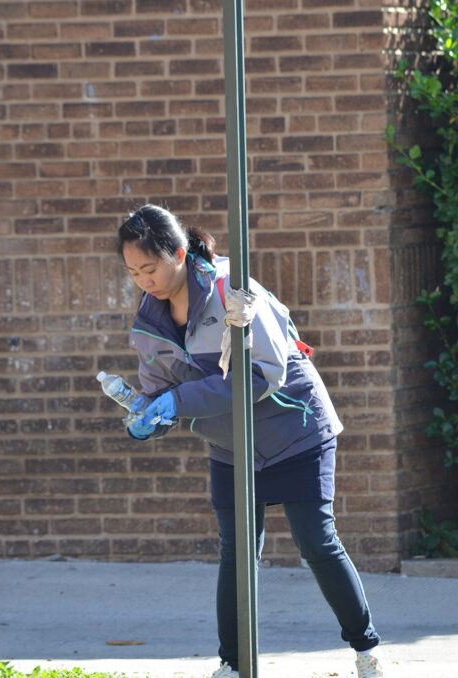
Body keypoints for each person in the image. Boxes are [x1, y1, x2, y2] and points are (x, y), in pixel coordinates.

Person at [115, 204, 385, 678]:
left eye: (151, 268)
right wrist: (147, 418)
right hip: (232, 445)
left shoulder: (232, 291)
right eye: (133, 271)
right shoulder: (149, 321)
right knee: (237, 552)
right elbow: (161, 394)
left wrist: (179, 402)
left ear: (179, 253)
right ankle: (232, 664)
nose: (144, 281)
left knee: (317, 543)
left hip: (295, 430)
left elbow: (265, 374)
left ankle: (367, 651)